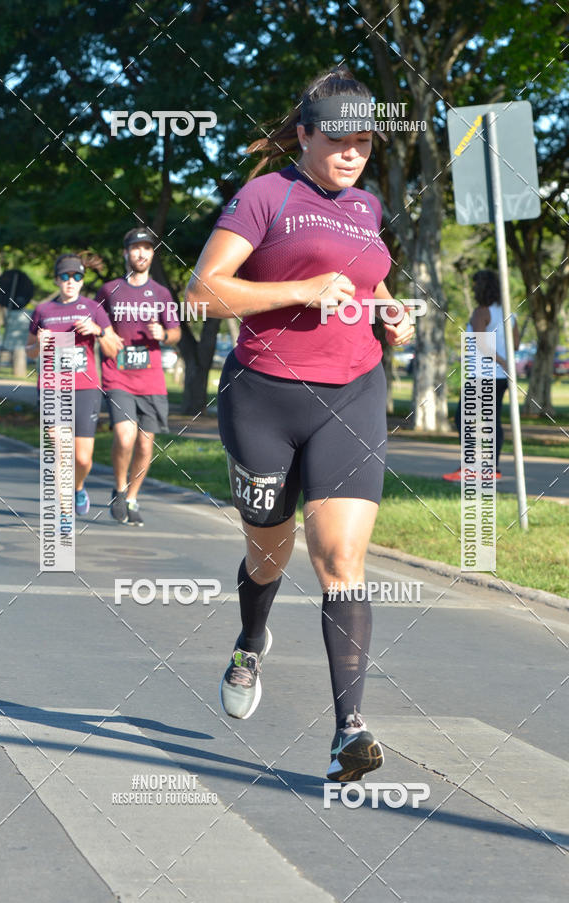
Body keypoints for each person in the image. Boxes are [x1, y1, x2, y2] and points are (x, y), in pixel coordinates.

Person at [185, 68, 414, 783]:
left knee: (340, 558)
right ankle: (251, 639)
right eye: (340, 140)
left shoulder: (369, 209)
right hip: (264, 398)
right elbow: (205, 293)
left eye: (366, 142)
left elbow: (367, 283)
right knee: (268, 551)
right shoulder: (266, 196)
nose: (352, 153)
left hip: (353, 391)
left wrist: (388, 313)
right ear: (307, 134)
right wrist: (300, 289)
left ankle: (349, 731)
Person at [96, 228, 181, 526]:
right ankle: (119, 489)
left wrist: (165, 334)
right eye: (135, 248)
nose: (141, 253)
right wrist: (104, 334)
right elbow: (96, 320)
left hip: (151, 379)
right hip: (117, 374)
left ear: (152, 254)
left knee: (146, 444)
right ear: (126, 253)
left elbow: (176, 331)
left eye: (147, 248)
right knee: (124, 435)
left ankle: (132, 496)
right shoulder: (109, 290)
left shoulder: (162, 294)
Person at [26, 253, 115, 515]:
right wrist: (38, 345)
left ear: (82, 280)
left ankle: (78, 488)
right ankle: (64, 511)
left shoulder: (93, 308)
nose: (70, 281)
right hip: (53, 385)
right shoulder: (44, 310)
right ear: (56, 280)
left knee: (82, 458)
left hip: (85, 387)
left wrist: (97, 331)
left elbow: (113, 348)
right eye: (65, 276)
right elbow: (29, 350)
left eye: (76, 276)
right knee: (59, 449)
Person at [443, 269, 519, 481]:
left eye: (476, 285)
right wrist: (505, 362)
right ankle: (492, 469)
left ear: (483, 288)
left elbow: (481, 343)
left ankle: (468, 468)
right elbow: (517, 345)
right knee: (492, 420)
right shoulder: (509, 314)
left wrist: (500, 360)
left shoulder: (481, 312)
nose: (474, 288)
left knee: (463, 419)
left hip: (482, 375)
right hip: (501, 377)